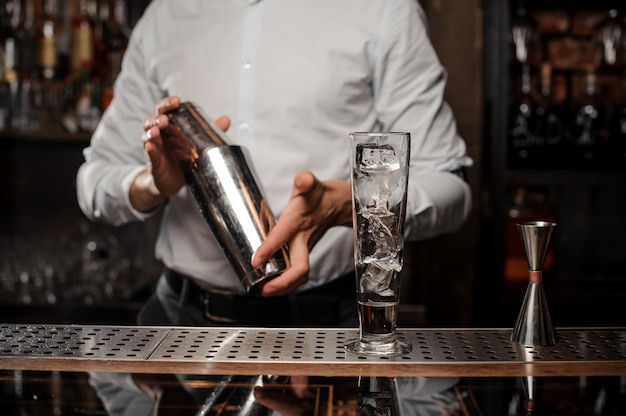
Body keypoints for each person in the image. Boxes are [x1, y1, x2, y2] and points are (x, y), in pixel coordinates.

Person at [76, 0, 472, 327]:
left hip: (328, 323)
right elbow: (94, 181)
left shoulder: (383, 10)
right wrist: (156, 183)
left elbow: (450, 187)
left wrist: (349, 204)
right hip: (180, 321)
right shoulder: (166, 15)